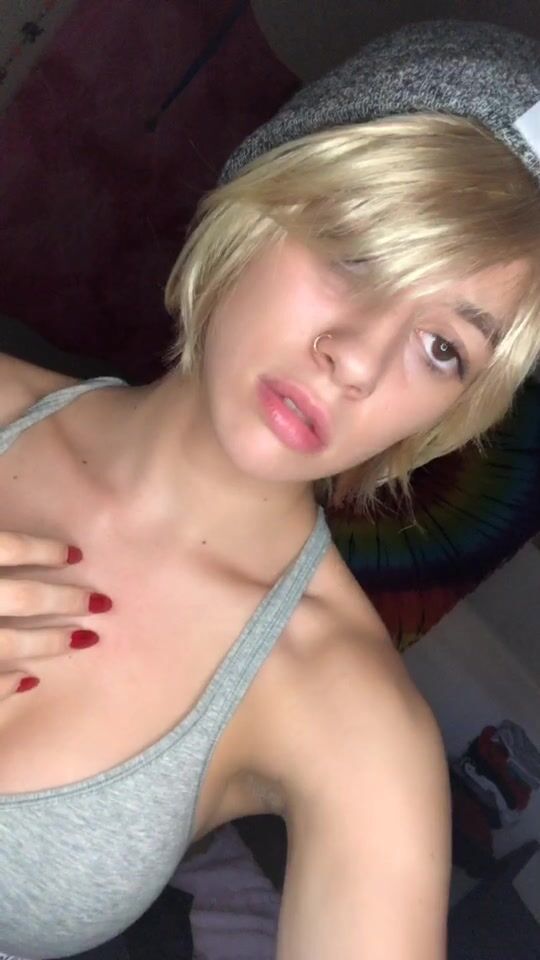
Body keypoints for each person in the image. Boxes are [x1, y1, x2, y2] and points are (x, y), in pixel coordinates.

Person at [1, 18, 540, 960]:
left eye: (441, 348)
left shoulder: (350, 717)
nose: (357, 362)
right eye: (357, 251)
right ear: (267, 189)